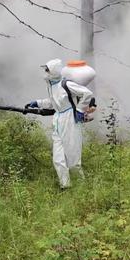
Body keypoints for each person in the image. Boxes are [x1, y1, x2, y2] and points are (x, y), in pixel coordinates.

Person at [26, 58, 95, 189]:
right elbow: (53, 102)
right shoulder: (51, 85)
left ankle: (81, 188)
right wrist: (38, 102)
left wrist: (80, 109)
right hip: (58, 121)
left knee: (73, 159)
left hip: (70, 120)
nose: (45, 72)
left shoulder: (66, 84)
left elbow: (87, 94)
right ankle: (66, 186)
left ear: (54, 71)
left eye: (47, 70)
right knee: (58, 158)